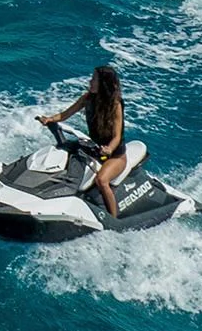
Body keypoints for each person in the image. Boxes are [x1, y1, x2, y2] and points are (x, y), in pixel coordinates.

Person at [39, 63, 141, 219]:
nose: (90, 82)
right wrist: (49, 119)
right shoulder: (87, 98)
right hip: (94, 148)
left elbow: (117, 136)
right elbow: (66, 114)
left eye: (94, 79)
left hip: (116, 156)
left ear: (103, 84)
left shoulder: (115, 104)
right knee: (65, 154)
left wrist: (109, 149)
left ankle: (113, 220)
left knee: (102, 180)